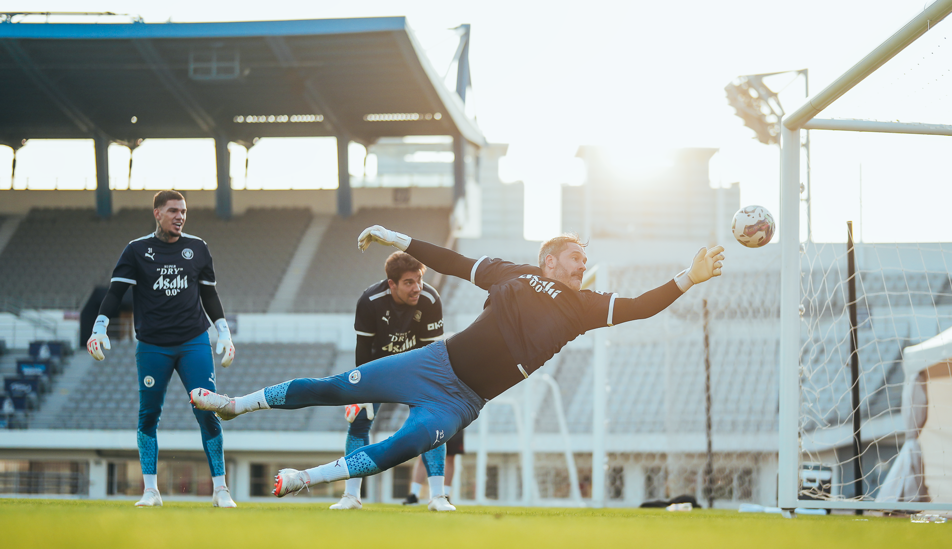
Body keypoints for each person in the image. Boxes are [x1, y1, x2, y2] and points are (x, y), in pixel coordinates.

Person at [190, 225, 723, 501]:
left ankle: (305, 480)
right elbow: (451, 261)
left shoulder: (584, 307)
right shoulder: (513, 272)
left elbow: (638, 307)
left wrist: (689, 276)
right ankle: (236, 405)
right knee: (335, 386)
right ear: (549, 260)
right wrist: (394, 237)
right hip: (431, 363)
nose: (583, 267)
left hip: (464, 400)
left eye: (586, 262)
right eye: (576, 258)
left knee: (404, 446)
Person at [88, 190, 237, 508]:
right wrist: (98, 327)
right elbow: (115, 293)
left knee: (207, 412)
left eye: (183, 211)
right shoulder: (137, 250)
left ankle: (220, 490)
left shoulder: (198, 248)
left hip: (193, 341)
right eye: (173, 211)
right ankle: (151, 491)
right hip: (153, 345)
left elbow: (209, 295)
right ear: (157, 213)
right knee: (148, 416)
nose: (180, 216)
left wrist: (223, 332)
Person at [330, 251, 454, 511]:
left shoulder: (430, 299)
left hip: (416, 370)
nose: (417, 287)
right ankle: (351, 496)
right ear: (391, 284)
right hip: (378, 370)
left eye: (419, 279)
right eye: (409, 282)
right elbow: (362, 350)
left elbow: (432, 355)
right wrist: (359, 392)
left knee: (432, 422)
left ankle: (438, 497)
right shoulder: (369, 301)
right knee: (359, 420)